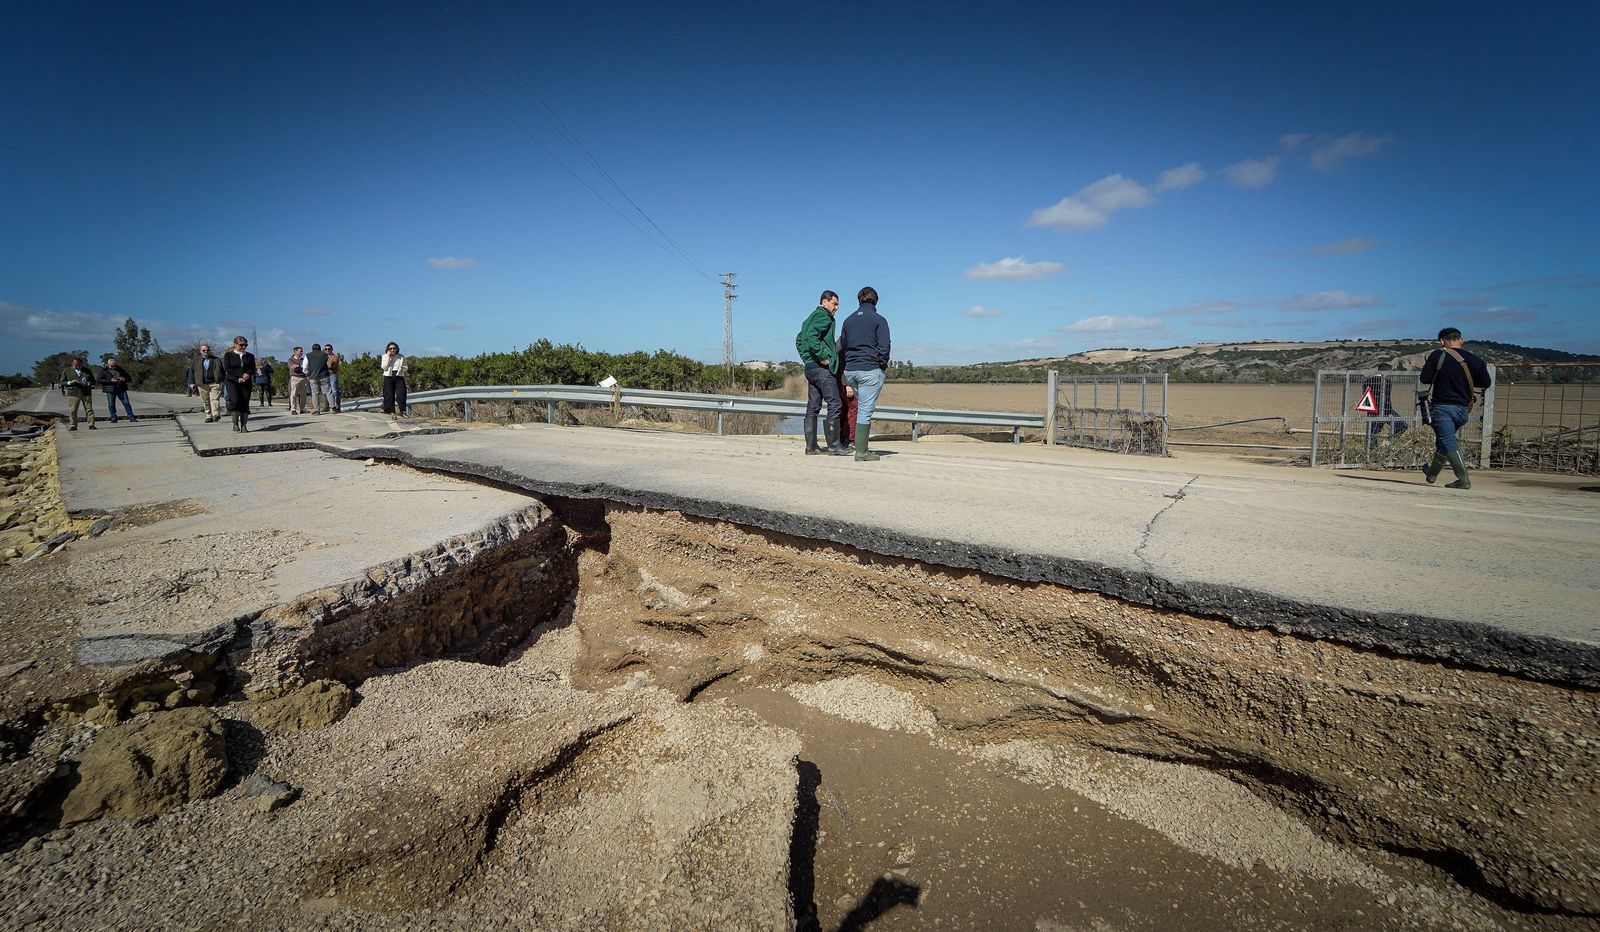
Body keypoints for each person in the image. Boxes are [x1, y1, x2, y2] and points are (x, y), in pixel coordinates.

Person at [1418, 327, 1492, 490]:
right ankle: (1431, 474)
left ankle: (1463, 479)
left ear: (1442, 341)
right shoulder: (1476, 360)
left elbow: (1425, 378)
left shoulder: (1438, 355)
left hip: (1443, 408)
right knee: (1444, 442)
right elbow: (1486, 383)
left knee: (1449, 443)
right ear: (1461, 340)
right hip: (1464, 410)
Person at [839, 286, 891, 462]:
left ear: (859, 300)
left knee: (861, 407)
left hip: (851, 370)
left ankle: (859, 446)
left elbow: (843, 344)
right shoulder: (879, 320)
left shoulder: (848, 320)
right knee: (865, 411)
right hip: (869, 369)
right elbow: (884, 346)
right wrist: (881, 366)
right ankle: (861, 451)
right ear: (875, 301)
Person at [795, 290, 849, 455]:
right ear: (824, 302)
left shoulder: (809, 318)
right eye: (835, 303)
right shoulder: (823, 317)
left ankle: (811, 447)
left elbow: (799, 339)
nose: (837, 308)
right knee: (835, 403)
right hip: (822, 370)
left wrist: (807, 358)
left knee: (813, 406)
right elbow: (811, 337)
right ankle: (834, 445)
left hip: (811, 369)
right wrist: (823, 356)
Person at [221, 336, 256, 432]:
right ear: (235, 344)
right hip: (232, 381)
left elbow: (252, 368)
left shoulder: (250, 356)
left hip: (246, 381)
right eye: (241, 345)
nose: (243, 347)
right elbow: (228, 368)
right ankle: (235, 424)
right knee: (235, 400)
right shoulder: (228, 355)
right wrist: (239, 376)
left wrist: (247, 375)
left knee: (245, 402)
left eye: (245, 345)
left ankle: (244, 426)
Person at [1362, 363, 1407, 439]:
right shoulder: (1387, 382)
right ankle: (1388, 443)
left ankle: (1371, 449)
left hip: (1371, 409)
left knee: (1373, 433)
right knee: (1402, 425)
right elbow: (1386, 398)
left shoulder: (1367, 381)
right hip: (1385, 409)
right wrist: (1389, 412)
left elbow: (1365, 396)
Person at [59, 356, 98, 431]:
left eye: (78, 364)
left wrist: (88, 383)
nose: (76, 366)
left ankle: (91, 425)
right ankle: (73, 425)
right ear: (72, 363)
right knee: (73, 410)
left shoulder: (87, 371)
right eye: (75, 364)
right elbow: (61, 382)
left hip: (86, 392)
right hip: (73, 393)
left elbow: (94, 381)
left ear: (81, 364)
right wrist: (70, 382)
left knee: (89, 409)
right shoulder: (67, 370)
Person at [191, 343, 226, 422]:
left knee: (215, 399)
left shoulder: (216, 360)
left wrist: (223, 380)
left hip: (215, 383)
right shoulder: (196, 361)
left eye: (207, 350)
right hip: (202, 384)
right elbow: (191, 372)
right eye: (204, 350)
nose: (206, 352)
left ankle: (216, 414)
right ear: (200, 351)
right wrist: (192, 383)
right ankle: (208, 416)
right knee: (206, 401)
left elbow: (222, 371)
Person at [99, 357, 137, 423]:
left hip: (121, 388)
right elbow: (99, 380)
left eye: (115, 365)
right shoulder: (103, 370)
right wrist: (110, 380)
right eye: (112, 366)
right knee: (111, 404)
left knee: (126, 402)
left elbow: (129, 377)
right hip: (110, 389)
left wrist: (124, 379)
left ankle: (131, 416)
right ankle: (113, 417)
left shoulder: (120, 369)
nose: (114, 367)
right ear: (108, 364)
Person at [381, 342, 408, 415]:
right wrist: (389, 357)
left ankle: (403, 411)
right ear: (388, 349)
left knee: (401, 394)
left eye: (394, 348)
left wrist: (403, 368)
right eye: (390, 348)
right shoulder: (385, 356)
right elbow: (384, 367)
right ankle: (390, 411)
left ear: (397, 349)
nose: (392, 350)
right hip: (388, 376)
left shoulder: (401, 356)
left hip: (399, 376)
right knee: (389, 394)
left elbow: (406, 367)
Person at [304, 343, 332, 415]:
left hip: (313, 377)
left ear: (312, 349)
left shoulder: (308, 355)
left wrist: (307, 373)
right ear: (320, 348)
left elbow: (305, 367)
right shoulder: (325, 355)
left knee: (315, 394)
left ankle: (317, 410)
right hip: (324, 376)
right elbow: (329, 364)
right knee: (328, 392)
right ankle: (333, 407)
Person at [286, 346, 309, 415]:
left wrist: (299, 366)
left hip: (304, 377)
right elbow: (293, 367)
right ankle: (293, 409)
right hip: (295, 377)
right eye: (300, 351)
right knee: (293, 394)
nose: (301, 352)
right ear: (295, 351)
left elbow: (307, 366)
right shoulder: (291, 360)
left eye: (302, 351)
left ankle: (302, 408)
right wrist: (301, 366)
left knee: (303, 394)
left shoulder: (304, 359)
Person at [324, 343, 342, 412]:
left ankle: (337, 406)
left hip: (332, 375)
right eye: (326, 349)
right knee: (325, 392)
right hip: (325, 375)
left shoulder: (335, 357)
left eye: (329, 349)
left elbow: (331, 365)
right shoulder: (323, 356)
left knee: (335, 391)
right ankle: (327, 406)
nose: (327, 350)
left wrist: (325, 363)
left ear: (332, 349)